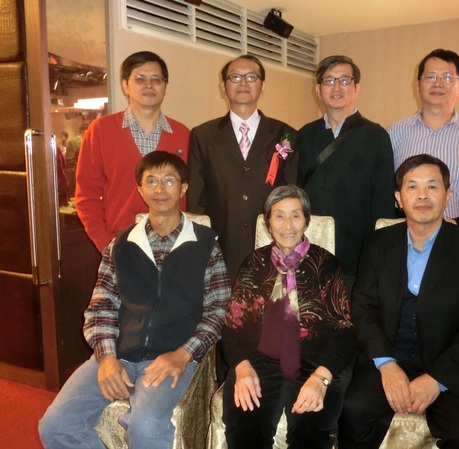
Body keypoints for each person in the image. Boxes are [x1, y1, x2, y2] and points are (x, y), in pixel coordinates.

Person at [39, 151, 231, 449]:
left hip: (170, 355)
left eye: (169, 180)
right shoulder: (120, 245)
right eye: (151, 181)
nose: (160, 189)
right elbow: (101, 307)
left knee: (145, 427)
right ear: (140, 190)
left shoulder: (206, 245)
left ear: (183, 188)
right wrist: (106, 357)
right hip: (119, 352)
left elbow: (218, 310)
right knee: (55, 426)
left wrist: (182, 354)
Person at [339, 154, 459, 449]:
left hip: (452, 361)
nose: (422, 195)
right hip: (391, 354)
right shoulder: (377, 243)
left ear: (447, 195)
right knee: (352, 412)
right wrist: (386, 364)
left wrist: (436, 379)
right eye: (412, 186)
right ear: (398, 198)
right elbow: (363, 308)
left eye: (432, 186)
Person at [220, 185, 357, 449]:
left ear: (306, 220)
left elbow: (344, 330)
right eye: (279, 216)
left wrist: (321, 378)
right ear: (268, 223)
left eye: (295, 215)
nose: (288, 225)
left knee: (310, 433)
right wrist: (242, 367)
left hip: (316, 359)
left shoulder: (325, 264)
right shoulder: (254, 263)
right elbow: (233, 325)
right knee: (245, 430)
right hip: (258, 359)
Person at [186, 54, 297, 279]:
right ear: (224, 86)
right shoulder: (203, 135)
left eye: (251, 77)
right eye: (235, 77)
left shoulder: (286, 134)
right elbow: (196, 199)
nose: (243, 82)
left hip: (271, 246)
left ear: (262, 86)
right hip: (219, 247)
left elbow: (292, 193)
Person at [297, 55, 396, 289]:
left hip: (357, 255)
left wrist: (377, 255)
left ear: (356, 87)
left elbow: (383, 202)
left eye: (344, 80)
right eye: (329, 80)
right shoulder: (305, 135)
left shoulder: (376, 136)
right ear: (318, 89)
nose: (336, 87)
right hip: (310, 251)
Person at [75, 51, 189, 252]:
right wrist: (106, 246)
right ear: (125, 85)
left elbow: (190, 195)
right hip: (120, 244)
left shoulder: (183, 134)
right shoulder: (101, 131)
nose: (149, 85)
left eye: (156, 79)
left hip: (174, 246)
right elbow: (87, 197)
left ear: (165, 86)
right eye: (140, 79)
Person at [387, 49, 459, 236]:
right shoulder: (395, 132)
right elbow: (386, 188)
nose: (438, 83)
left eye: (447, 77)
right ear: (418, 85)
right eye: (430, 76)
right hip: (407, 233)